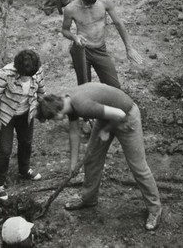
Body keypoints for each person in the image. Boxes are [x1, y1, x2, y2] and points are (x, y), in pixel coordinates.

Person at [37, 83, 162, 231]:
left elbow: (120, 115)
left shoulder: (82, 105)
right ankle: (89, 199)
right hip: (107, 115)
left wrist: (106, 131)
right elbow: (74, 132)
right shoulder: (66, 102)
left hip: (127, 116)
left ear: (57, 114)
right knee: (92, 158)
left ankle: (155, 209)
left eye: (52, 119)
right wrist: (73, 163)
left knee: (138, 166)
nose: (54, 121)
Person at [62, 0, 143, 90]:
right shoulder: (70, 9)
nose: (89, 7)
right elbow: (65, 30)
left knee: (114, 86)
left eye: (92, 4)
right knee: (85, 88)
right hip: (82, 50)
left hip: (100, 49)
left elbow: (119, 23)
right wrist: (74, 37)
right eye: (86, 4)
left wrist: (129, 48)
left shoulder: (105, 1)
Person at [0, 49, 45, 202]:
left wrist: (42, 105)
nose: (27, 79)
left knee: (26, 142)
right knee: (5, 150)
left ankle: (24, 169)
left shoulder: (37, 70)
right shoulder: (4, 74)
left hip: (26, 114)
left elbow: (41, 90)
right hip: (6, 116)